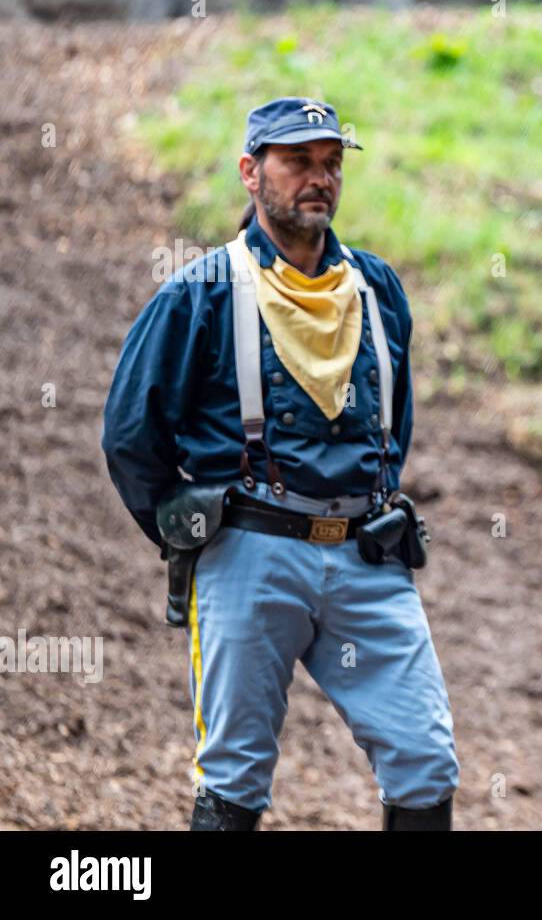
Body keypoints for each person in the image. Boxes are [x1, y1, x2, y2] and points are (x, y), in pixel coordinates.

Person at [102, 97, 459, 830]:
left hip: (368, 555)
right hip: (249, 553)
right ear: (249, 172)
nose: (318, 178)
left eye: (330, 164)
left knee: (426, 763)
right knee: (234, 779)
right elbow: (131, 435)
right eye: (297, 161)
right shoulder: (200, 289)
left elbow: (396, 427)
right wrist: (195, 531)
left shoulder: (377, 289)